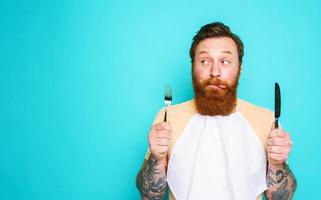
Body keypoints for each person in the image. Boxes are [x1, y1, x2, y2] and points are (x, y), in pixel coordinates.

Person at [136, 22, 297, 200]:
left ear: (240, 68)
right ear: (192, 67)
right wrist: (156, 158)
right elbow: (150, 196)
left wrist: (277, 163)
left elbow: (282, 197)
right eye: (204, 61)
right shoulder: (168, 117)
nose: (215, 71)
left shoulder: (267, 120)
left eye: (225, 61)